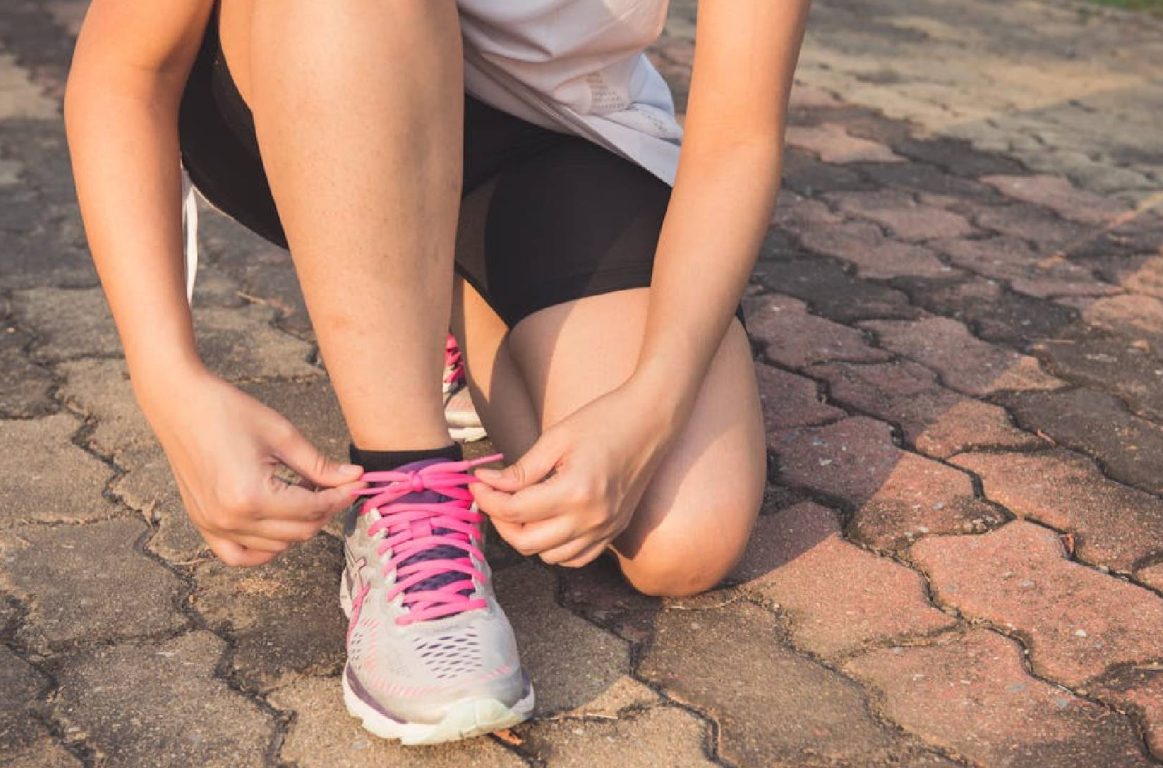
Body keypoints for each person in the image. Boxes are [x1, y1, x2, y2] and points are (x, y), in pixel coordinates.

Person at [64, 0, 810, 745]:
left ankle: (417, 296)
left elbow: (739, 136)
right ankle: (405, 485)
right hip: (311, 62)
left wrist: (653, 401)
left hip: (557, 128)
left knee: (681, 536)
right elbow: (125, 69)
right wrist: (168, 379)